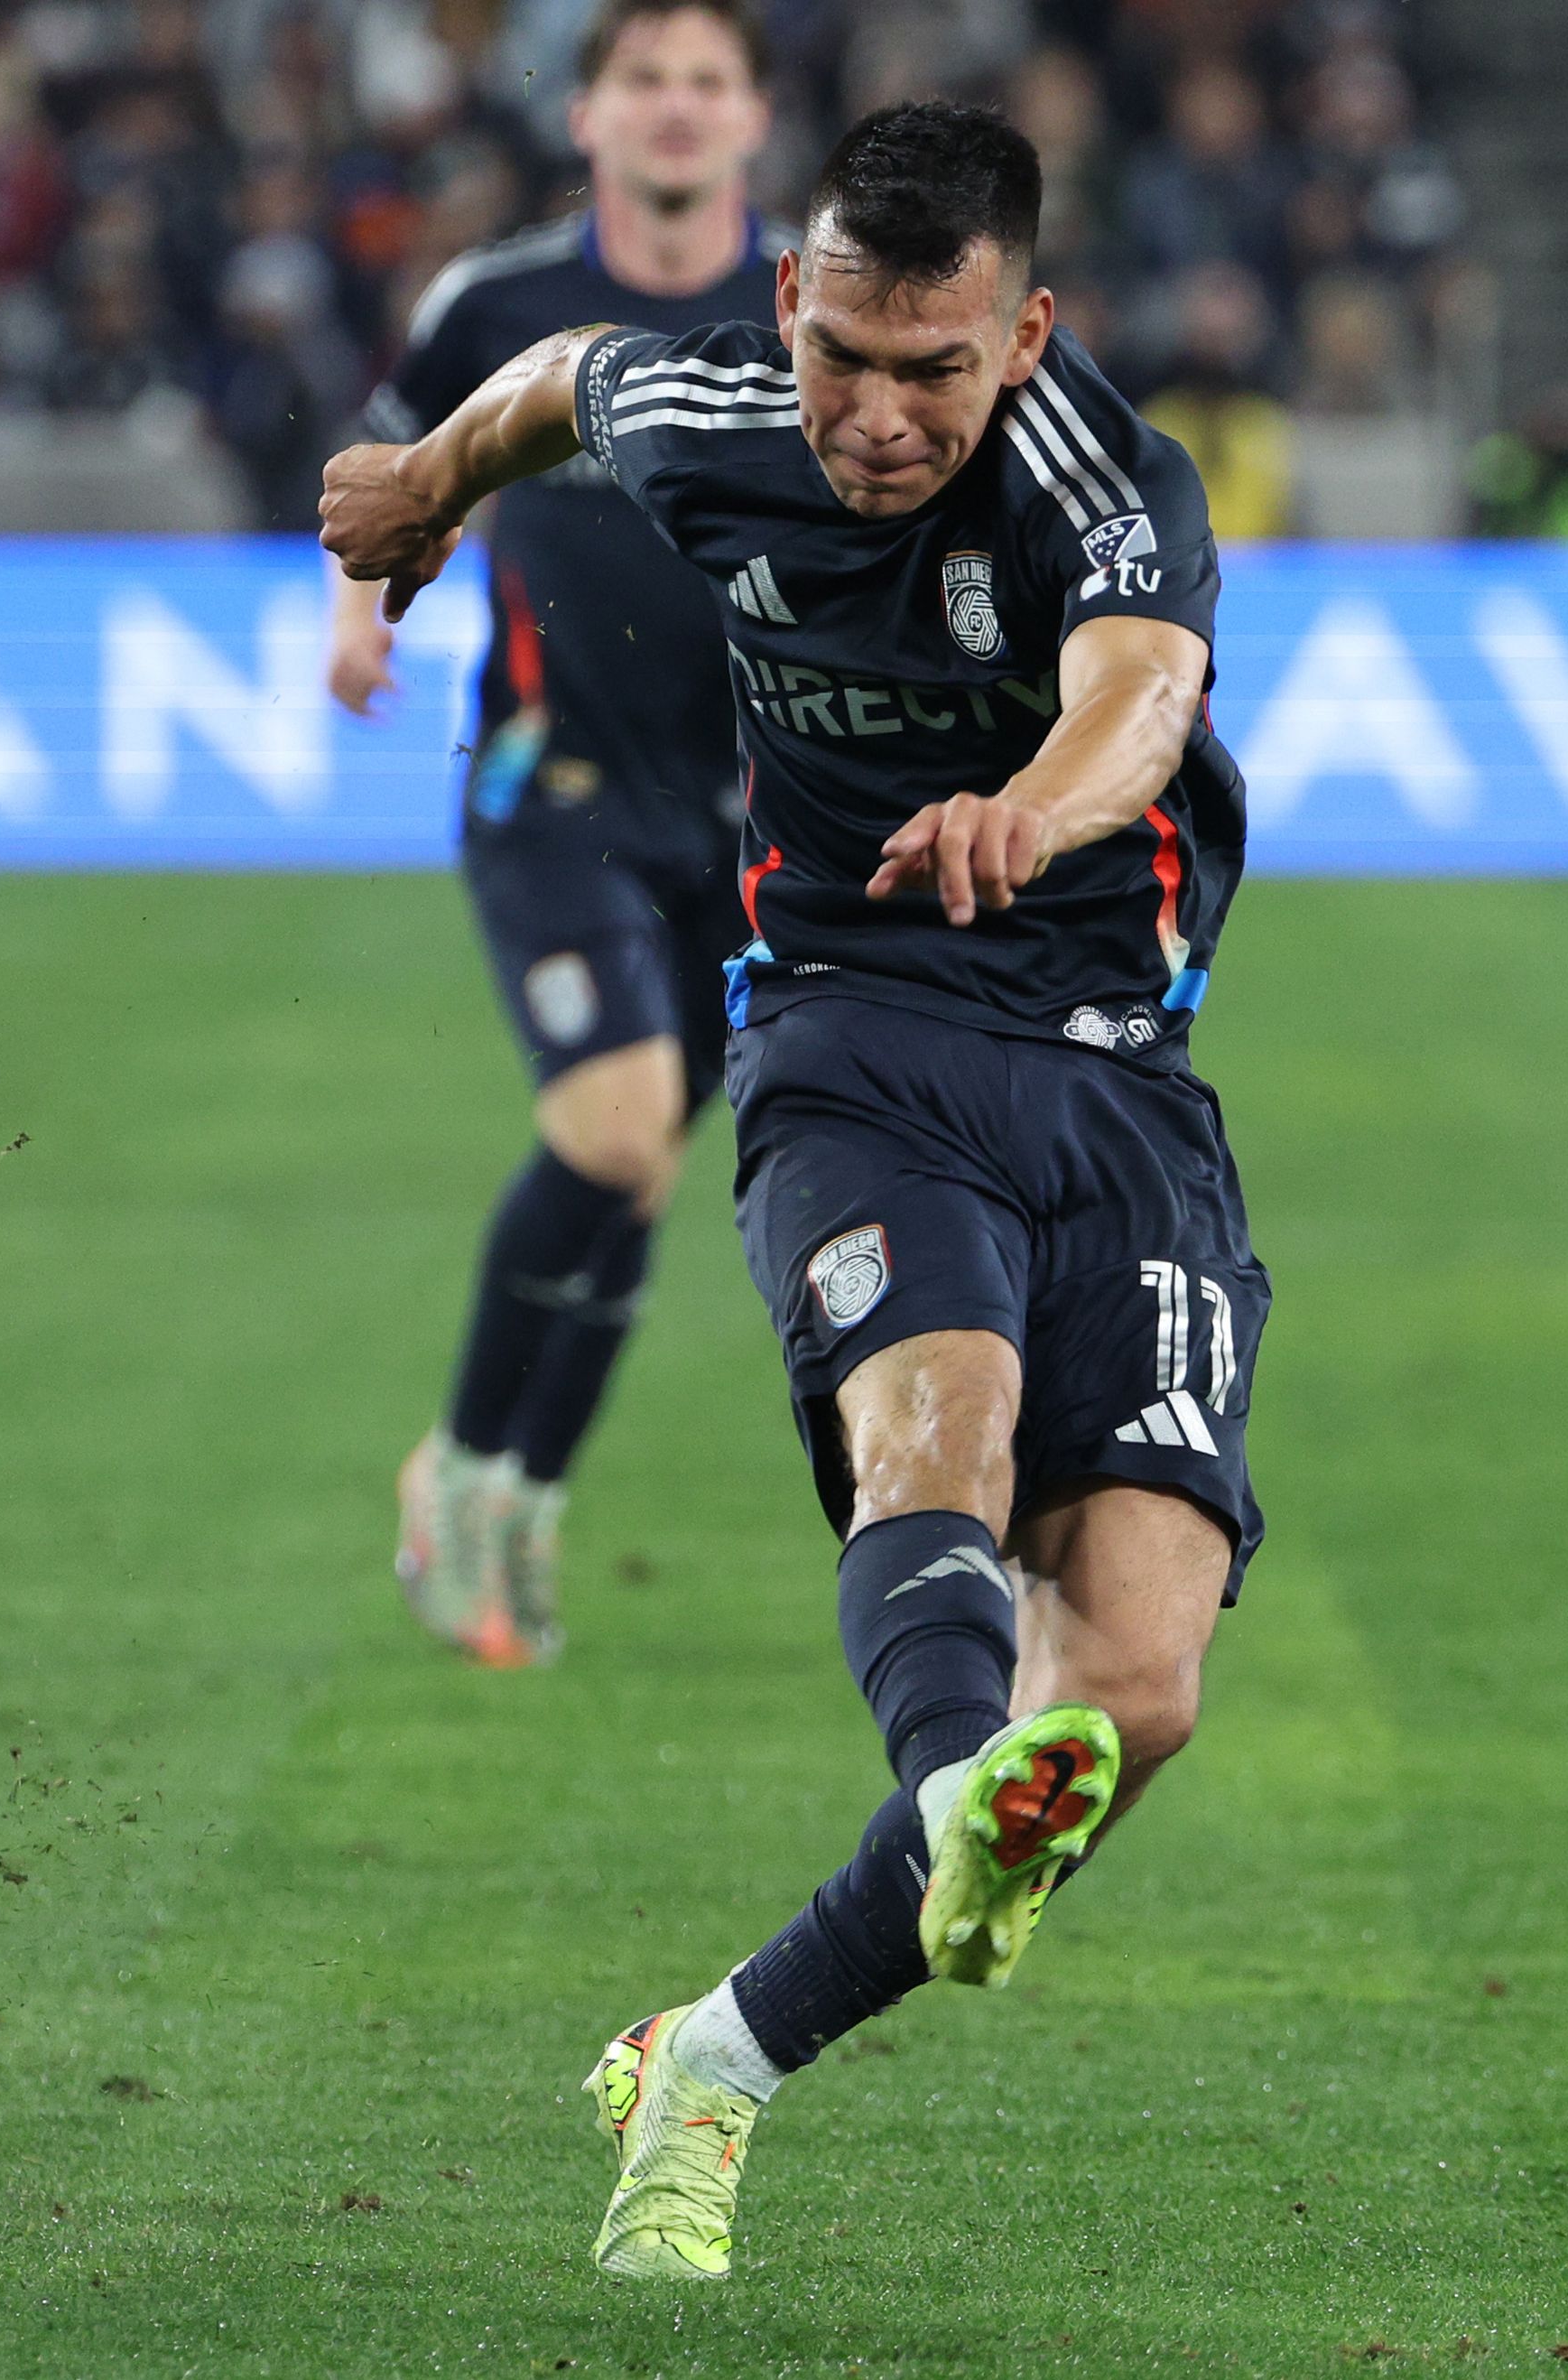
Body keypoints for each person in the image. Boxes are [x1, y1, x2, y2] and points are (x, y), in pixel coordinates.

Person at [320, 97, 1260, 2284]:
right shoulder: (715, 411)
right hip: (851, 1034)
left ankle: (716, 2052)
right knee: (936, 1433)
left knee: (1135, 1691)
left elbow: (1141, 697)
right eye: (841, 353)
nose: (877, 416)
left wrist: (1032, 807)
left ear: (1023, 336)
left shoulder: (1103, 484)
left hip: (1119, 1081)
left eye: (935, 369)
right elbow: (560, 381)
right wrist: (429, 486)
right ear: (785, 305)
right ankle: (956, 1785)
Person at [335, 0, 779, 1669]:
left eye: (706, 81)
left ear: (752, 119)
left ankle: (528, 1490)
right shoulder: (498, 303)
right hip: (553, 789)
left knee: (644, 1168)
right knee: (611, 1131)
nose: (675, 107)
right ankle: (457, 1464)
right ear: (586, 118)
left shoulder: (806, 311)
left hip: (755, 813)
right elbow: (396, 462)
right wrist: (358, 610)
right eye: (643, 79)